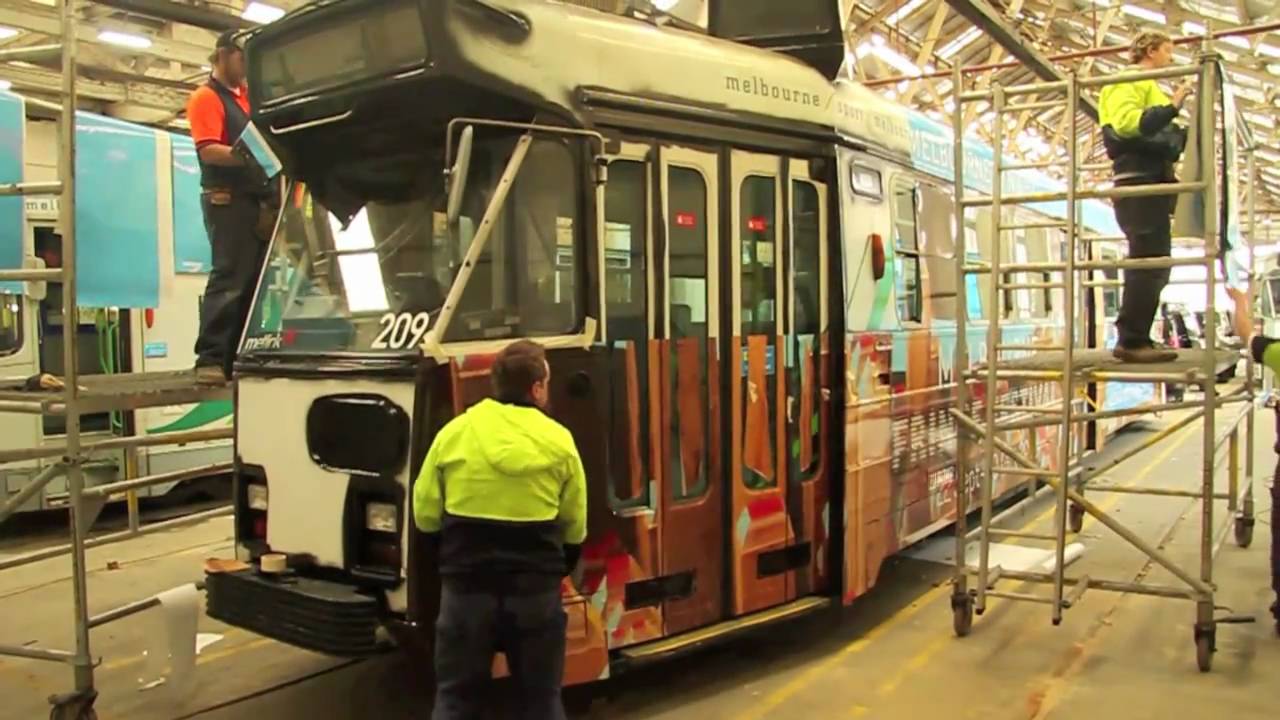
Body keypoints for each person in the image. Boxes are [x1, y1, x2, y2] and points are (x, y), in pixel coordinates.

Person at [413, 340, 587, 719]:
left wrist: (449, 558)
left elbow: (424, 513)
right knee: (541, 700)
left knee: (455, 698)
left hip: (467, 590)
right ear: (538, 387)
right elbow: (575, 525)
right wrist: (557, 567)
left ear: (496, 384)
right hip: (534, 594)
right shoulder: (560, 441)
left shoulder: (456, 433)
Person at [1099, 32, 1194, 363]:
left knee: (1156, 261)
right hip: (1138, 183)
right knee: (1149, 260)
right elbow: (1127, 125)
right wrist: (1172, 107)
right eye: (1168, 49)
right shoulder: (1129, 80)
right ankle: (1132, 338)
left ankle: (1137, 335)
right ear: (1150, 51)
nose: (1170, 57)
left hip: (1149, 182)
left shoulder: (1146, 84)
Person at [186, 30, 274, 384]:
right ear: (223, 55)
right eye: (242, 58)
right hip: (227, 199)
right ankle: (209, 357)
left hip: (256, 202)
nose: (246, 66)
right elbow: (209, 149)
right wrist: (253, 156)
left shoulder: (247, 99)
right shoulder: (207, 98)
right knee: (229, 276)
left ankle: (235, 357)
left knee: (252, 280)